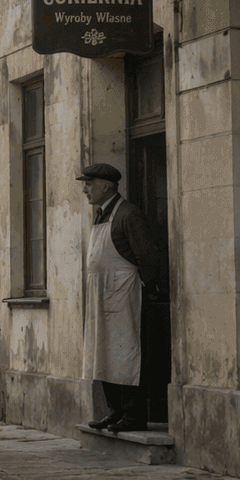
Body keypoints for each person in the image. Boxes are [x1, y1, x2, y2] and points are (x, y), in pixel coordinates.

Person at [78, 163, 166, 433]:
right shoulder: (101, 215)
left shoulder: (128, 215)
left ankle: (133, 414)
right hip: (103, 297)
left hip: (124, 297)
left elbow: (148, 259)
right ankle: (115, 412)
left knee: (126, 355)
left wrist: (145, 287)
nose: (85, 189)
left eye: (89, 183)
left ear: (106, 186)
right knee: (103, 354)